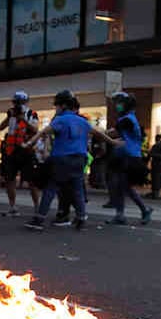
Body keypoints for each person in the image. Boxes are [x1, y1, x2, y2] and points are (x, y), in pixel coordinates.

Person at [23, 90, 116, 232]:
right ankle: (81, 218)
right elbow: (98, 133)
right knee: (77, 189)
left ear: (63, 106)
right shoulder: (83, 121)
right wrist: (114, 142)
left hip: (61, 159)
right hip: (79, 159)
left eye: (57, 106)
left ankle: (39, 219)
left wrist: (29, 143)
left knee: (51, 188)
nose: (56, 109)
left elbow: (43, 132)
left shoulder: (60, 120)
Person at [103, 92, 152, 225]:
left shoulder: (127, 120)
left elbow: (112, 133)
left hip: (128, 158)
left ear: (125, 105)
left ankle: (144, 210)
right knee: (120, 186)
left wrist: (96, 131)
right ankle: (121, 214)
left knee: (124, 186)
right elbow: (122, 137)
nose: (117, 106)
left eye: (119, 103)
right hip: (125, 156)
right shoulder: (129, 119)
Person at [0, 90, 39, 216]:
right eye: (16, 102)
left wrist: (23, 119)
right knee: (9, 179)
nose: (18, 105)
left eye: (20, 102)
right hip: (11, 151)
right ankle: (12, 206)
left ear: (26, 102)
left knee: (32, 181)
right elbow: (1, 127)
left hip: (26, 150)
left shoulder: (32, 114)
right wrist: (9, 117)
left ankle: (37, 207)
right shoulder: (11, 113)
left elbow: (35, 130)